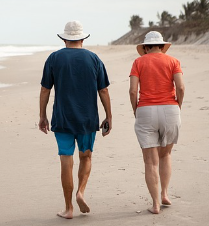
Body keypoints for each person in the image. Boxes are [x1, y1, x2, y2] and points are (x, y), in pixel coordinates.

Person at [39, 21, 112, 219]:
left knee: (66, 159)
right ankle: (81, 191)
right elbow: (103, 89)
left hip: (62, 118)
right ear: (83, 38)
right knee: (86, 156)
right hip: (87, 118)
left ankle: (69, 208)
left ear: (64, 38)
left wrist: (42, 115)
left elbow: (46, 89)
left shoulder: (54, 58)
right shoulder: (94, 58)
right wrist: (109, 116)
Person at [129, 31, 185, 214]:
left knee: (150, 161)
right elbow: (181, 87)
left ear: (145, 47)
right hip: (170, 109)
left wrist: (136, 109)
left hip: (146, 110)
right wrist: (178, 105)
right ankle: (165, 194)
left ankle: (155, 204)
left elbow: (132, 91)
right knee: (165, 155)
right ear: (162, 46)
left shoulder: (138, 62)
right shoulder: (173, 61)